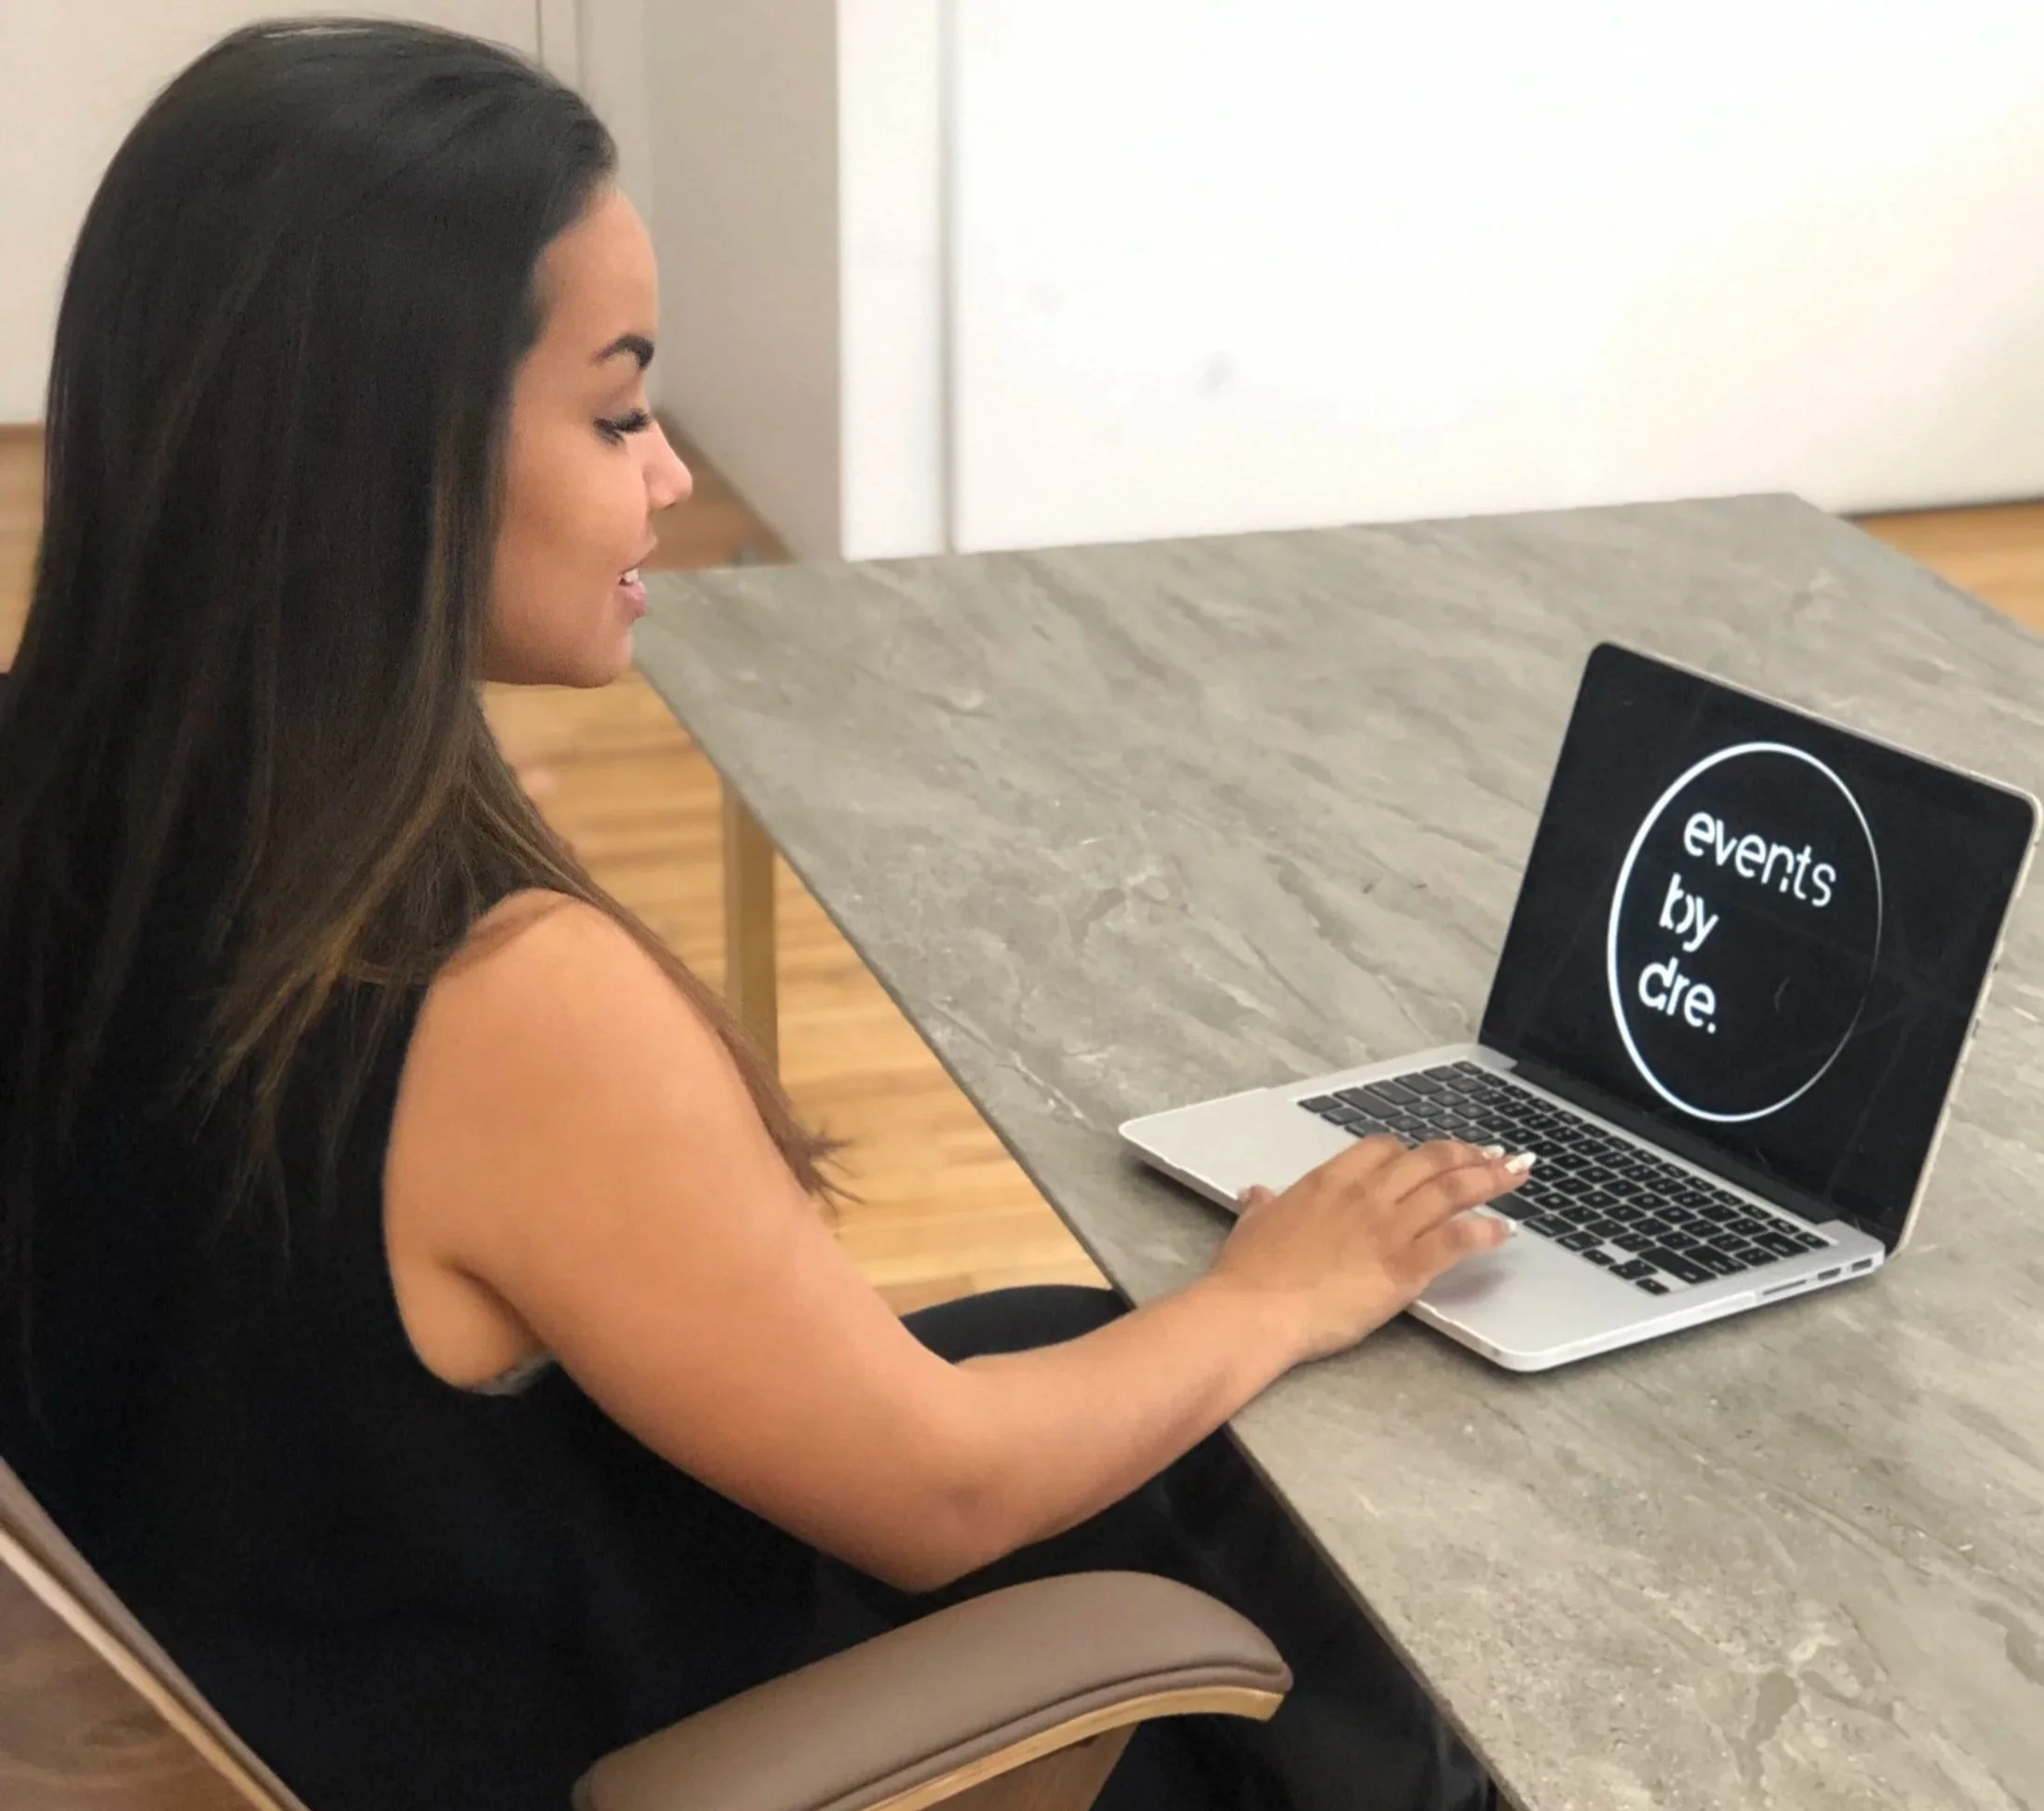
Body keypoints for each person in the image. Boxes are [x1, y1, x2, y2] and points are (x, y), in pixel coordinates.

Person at [0, 20, 1528, 1811]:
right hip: (631, 1740)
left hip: (315, 1632)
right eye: (617, 406)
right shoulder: (492, 996)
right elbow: (938, 1489)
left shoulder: (68, 782)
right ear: (388, 450)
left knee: (1074, 1336)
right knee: (1282, 1548)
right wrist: (1284, 1291)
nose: (666, 476)